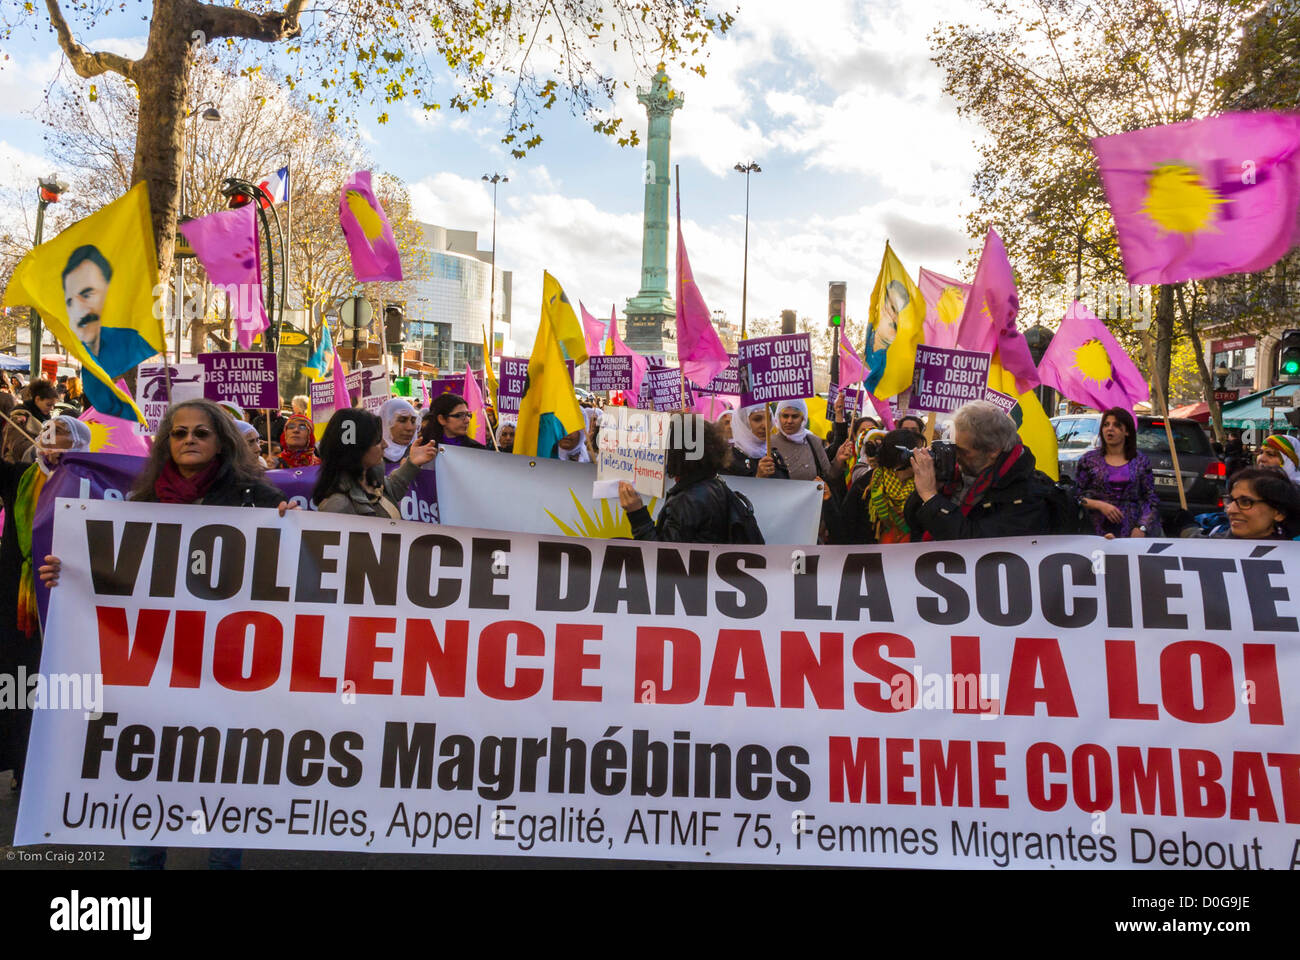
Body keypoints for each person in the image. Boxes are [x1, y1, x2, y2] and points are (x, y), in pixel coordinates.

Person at [38, 399, 294, 868]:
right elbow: (116, 573)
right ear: (166, 443)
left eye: (200, 433)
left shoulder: (251, 497)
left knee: (223, 780)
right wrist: (70, 571)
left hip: (226, 667)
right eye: (179, 433)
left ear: (221, 441)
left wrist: (291, 526)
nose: (189, 440)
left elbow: (285, 567)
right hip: (158, 667)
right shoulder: (144, 502)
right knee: (149, 775)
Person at [905, 399, 1051, 541]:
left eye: (963, 451)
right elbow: (914, 523)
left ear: (993, 450)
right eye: (953, 448)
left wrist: (930, 496)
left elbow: (974, 544)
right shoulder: (956, 476)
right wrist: (925, 493)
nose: (956, 457)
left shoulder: (1026, 494)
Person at [618, 416, 762, 543]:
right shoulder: (712, 484)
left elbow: (661, 559)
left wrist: (637, 513)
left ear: (677, 453)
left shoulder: (688, 500)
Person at [314, 408, 437, 516]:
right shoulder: (337, 506)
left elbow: (392, 490)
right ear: (356, 448)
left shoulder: (371, 481)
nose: (385, 444)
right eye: (377, 440)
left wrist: (412, 463)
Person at [1073, 406, 1160, 537]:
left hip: (1132, 533)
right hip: (1096, 533)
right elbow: (1076, 497)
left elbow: (1151, 499)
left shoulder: (1140, 461)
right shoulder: (1088, 460)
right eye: (1106, 425)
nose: (1110, 429)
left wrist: (1142, 527)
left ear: (1127, 431)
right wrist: (1099, 505)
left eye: (1116, 425)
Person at [1183, 467, 1300, 539]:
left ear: (1278, 512)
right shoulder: (1204, 549)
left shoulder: (1293, 560)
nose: (1230, 510)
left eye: (1245, 502)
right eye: (1230, 500)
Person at [723, 402, 788, 479]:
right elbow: (727, 490)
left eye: (769, 418)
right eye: (757, 419)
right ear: (743, 423)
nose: (765, 425)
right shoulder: (728, 460)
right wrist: (758, 477)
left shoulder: (774, 456)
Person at [418, 393, 488, 449]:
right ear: (441, 419)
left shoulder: (477, 450)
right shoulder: (423, 448)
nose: (467, 420)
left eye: (468, 415)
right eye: (459, 415)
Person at [379, 398, 419, 463]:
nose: (409, 428)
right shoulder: (370, 458)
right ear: (385, 423)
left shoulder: (422, 454)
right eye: (402, 420)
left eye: (413, 421)